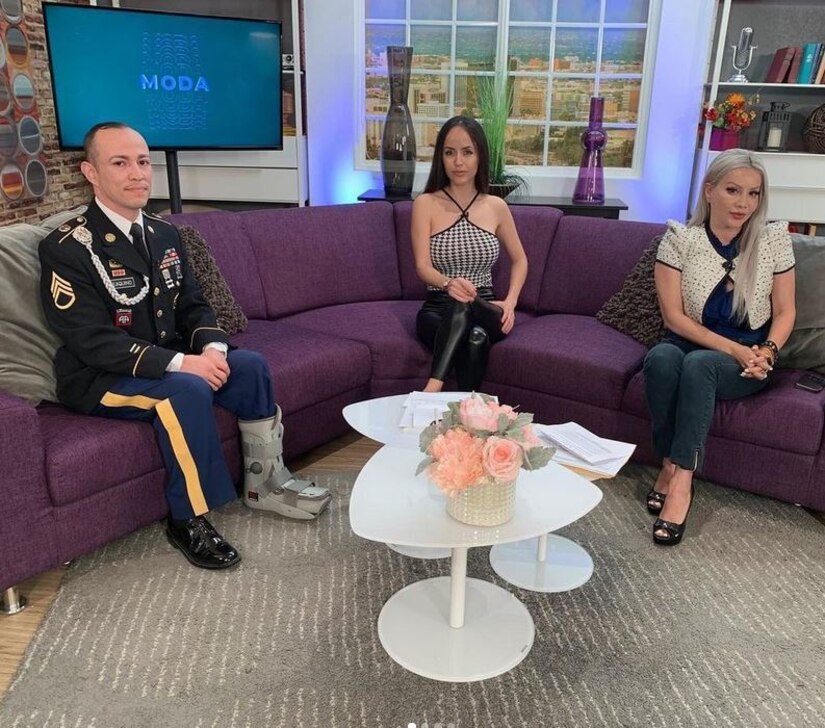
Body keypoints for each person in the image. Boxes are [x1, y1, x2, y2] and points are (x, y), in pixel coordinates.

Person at [38, 122, 331, 570]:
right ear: (91, 173)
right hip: (99, 376)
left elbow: (193, 304)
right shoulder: (68, 247)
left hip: (165, 357)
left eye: (141, 161)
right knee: (186, 390)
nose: (138, 173)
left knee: (249, 365)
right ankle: (187, 518)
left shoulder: (164, 234)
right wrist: (181, 364)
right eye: (120, 163)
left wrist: (212, 349)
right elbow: (91, 340)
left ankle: (265, 483)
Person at [643, 149, 796, 546]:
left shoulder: (774, 241)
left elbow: (785, 312)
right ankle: (668, 462)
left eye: (753, 193)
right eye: (732, 190)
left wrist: (767, 352)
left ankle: (681, 485)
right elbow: (674, 319)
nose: (744, 203)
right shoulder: (681, 240)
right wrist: (734, 349)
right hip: (689, 341)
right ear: (710, 191)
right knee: (660, 358)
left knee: (700, 367)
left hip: (749, 356)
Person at [411, 115, 528, 393]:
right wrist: (449, 283)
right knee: (475, 338)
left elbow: (521, 260)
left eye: (467, 152)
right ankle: (466, 416)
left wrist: (510, 302)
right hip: (438, 308)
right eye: (450, 153)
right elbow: (422, 267)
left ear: (480, 157)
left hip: (486, 307)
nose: (458, 162)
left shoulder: (496, 206)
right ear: (441, 158)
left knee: (470, 301)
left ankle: (431, 390)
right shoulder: (425, 204)